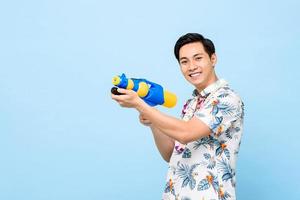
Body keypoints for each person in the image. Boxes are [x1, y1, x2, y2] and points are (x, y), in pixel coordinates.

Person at [111, 33, 244, 200]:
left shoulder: (226, 98)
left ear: (213, 59)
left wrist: (140, 104)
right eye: (184, 61)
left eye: (198, 58)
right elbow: (170, 154)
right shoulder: (192, 103)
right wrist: (151, 119)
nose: (191, 66)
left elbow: (186, 133)